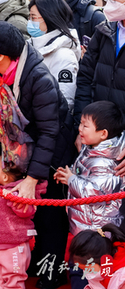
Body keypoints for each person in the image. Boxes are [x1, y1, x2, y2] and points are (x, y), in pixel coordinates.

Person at [0, 21, 74, 289]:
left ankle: (52, 272)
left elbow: (50, 131)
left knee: (48, 214)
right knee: (14, 212)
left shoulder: (37, 77)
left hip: (50, 151)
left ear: (0, 55)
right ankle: (13, 269)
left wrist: (33, 178)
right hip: (13, 151)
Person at [54, 101, 125, 289]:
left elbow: (94, 191)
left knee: (86, 270)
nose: (79, 129)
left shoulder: (105, 160)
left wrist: (71, 179)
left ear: (103, 134)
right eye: (80, 123)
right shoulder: (93, 147)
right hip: (85, 221)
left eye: (85, 125)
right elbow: (84, 172)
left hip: (96, 228)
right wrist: (70, 174)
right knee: (80, 267)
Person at [0, 150, 47, 289]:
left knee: (14, 280)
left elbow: (26, 211)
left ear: (5, 177)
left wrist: (13, 199)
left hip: (13, 246)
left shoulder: (20, 192)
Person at [75, 0, 125, 123]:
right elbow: (85, 78)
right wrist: (84, 122)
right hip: (99, 127)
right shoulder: (104, 31)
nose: (109, 3)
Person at [28, 0, 80, 109]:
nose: (30, 22)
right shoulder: (30, 46)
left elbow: (65, 100)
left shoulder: (64, 55)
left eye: (33, 17)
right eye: (29, 17)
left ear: (49, 17)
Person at [68, 223, 125, 289]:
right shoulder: (98, 269)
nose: (86, 273)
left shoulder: (121, 278)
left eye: (89, 270)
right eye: (83, 269)